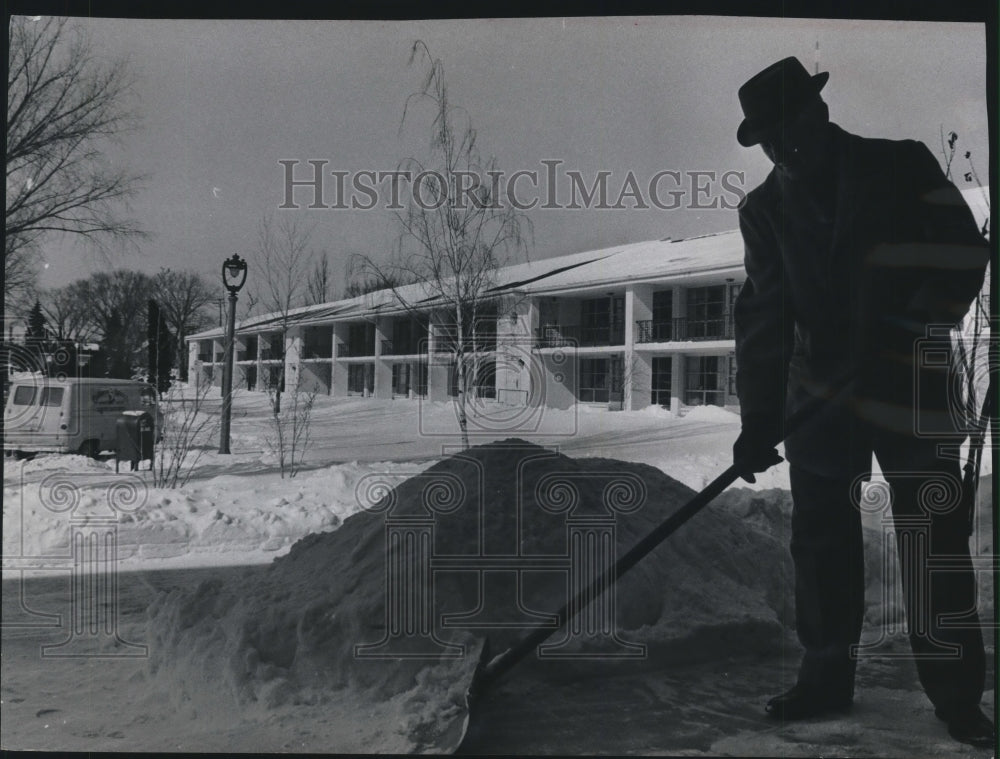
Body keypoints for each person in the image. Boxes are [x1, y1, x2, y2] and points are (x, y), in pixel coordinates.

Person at [731, 56, 993, 748]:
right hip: (819, 399)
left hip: (911, 386)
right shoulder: (763, 209)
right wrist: (758, 421)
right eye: (767, 140)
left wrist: (910, 322)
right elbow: (763, 318)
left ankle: (958, 694)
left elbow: (964, 253)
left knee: (932, 536)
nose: (781, 149)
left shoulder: (900, 165)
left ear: (817, 113)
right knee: (821, 542)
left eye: (788, 130)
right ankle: (824, 676)